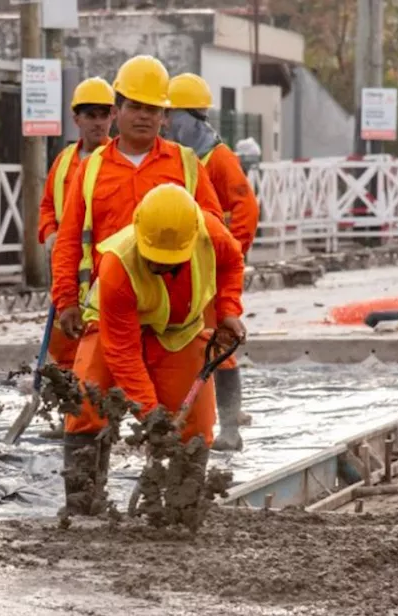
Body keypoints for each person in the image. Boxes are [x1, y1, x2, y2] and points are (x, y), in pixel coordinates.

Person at [62, 184, 246, 516]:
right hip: (112, 328)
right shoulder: (118, 266)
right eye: (155, 262)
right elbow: (123, 353)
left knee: (196, 422)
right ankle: (82, 505)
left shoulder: (211, 235)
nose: (161, 268)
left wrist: (228, 310)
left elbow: (233, 263)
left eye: (171, 262)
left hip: (179, 331)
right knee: (86, 399)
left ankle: (181, 508)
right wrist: (152, 417)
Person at [51, 54, 225, 354]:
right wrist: (65, 301)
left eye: (152, 109)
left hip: (174, 318)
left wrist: (224, 310)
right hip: (107, 308)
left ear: (164, 116)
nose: (143, 116)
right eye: (135, 106)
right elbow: (68, 240)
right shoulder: (90, 169)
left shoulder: (187, 165)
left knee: (180, 402)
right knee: (92, 399)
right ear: (117, 111)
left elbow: (216, 241)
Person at [165, 72, 261, 451]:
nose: (166, 123)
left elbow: (245, 209)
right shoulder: (176, 157)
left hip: (212, 269)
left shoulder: (218, 159)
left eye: (172, 116)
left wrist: (229, 254)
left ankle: (230, 428)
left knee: (218, 340)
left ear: (190, 117)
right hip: (177, 268)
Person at [39, 76, 116, 370]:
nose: (98, 123)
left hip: (102, 270)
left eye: (103, 115)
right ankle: (66, 401)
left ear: (113, 117)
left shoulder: (116, 161)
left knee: (104, 342)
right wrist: (50, 234)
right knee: (65, 341)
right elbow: (47, 205)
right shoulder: (63, 162)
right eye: (90, 115)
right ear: (76, 119)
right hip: (68, 269)